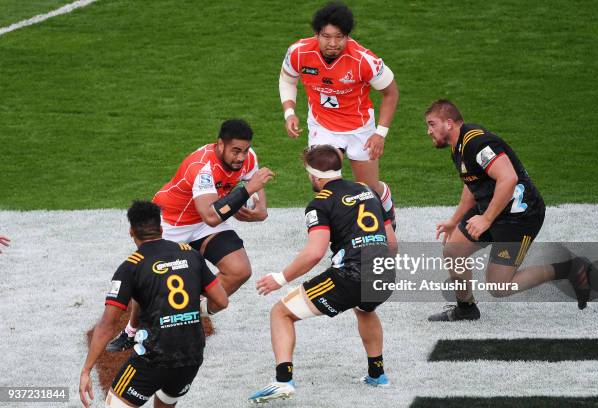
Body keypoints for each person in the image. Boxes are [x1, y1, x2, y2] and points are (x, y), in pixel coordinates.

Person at [107, 119, 275, 351]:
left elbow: (254, 185)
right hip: (171, 223)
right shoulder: (202, 168)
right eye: (236, 151)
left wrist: (260, 210)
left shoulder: (247, 158)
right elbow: (212, 216)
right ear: (220, 145)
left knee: (240, 270)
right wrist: (246, 192)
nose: (241, 157)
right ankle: (132, 331)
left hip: (203, 222)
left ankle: (191, 313)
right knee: (147, 278)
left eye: (245, 151)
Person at [249, 145, 397, 404]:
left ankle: (283, 381)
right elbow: (391, 242)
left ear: (314, 176)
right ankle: (377, 374)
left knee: (280, 312)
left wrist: (280, 278)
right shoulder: (368, 191)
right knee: (365, 309)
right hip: (384, 272)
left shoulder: (319, 203)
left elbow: (314, 253)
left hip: (352, 276)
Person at [424, 99, 592, 321]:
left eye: (431, 124)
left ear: (448, 123)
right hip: (494, 209)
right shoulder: (459, 147)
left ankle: (569, 268)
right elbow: (472, 184)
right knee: (453, 251)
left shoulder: (478, 144)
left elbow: (508, 178)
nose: (428, 131)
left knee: (499, 286)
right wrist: (455, 220)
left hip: (519, 217)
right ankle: (466, 308)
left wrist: (486, 218)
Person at [79, 200, 228, 408]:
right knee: (167, 401)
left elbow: (107, 324)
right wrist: (191, 311)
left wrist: (86, 370)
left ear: (131, 232)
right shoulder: (190, 254)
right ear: (160, 228)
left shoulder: (130, 267)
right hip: (191, 356)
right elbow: (221, 301)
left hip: (154, 359)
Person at [279, 2, 399, 226]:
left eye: (339, 37)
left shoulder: (365, 60)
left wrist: (380, 133)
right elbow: (287, 79)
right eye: (326, 36)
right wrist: (289, 112)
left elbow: (391, 93)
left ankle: (385, 201)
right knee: (321, 181)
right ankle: (337, 227)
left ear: (347, 36)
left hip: (359, 127)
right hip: (322, 125)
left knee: (368, 189)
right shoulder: (299, 52)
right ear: (316, 34)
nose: (332, 43)